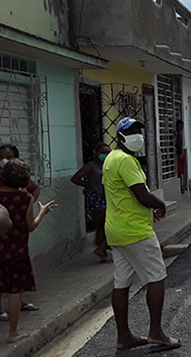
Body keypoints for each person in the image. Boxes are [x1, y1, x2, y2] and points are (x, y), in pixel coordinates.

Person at [103, 117, 180, 352]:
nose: (138, 135)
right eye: (132, 131)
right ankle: (156, 333)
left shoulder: (111, 158)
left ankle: (124, 336)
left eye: (139, 131)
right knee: (156, 277)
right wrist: (161, 204)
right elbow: (141, 195)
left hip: (116, 230)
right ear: (121, 136)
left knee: (122, 282)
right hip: (135, 230)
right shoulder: (126, 160)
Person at [0, 159, 57, 343]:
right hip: (17, 252)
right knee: (14, 292)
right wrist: (42, 212)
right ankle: (13, 333)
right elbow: (30, 226)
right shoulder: (26, 199)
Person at [0, 144, 41, 317]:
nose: (4, 160)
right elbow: (32, 226)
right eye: (2, 157)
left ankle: (19, 302)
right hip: (7, 232)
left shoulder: (24, 193)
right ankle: (11, 325)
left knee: (14, 272)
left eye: (9, 157)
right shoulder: (21, 195)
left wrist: (30, 206)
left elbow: (35, 189)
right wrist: (39, 211)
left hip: (18, 233)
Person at [70, 143, 112, 263]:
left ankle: (103, 251)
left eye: (108, 152)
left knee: (105, 225)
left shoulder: (107, 164)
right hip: (96, 198)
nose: (106, 155)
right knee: (103, 225)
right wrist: (88, 185)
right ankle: (101, 249)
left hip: (107, 196)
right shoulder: (90, 166)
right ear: (97, 153)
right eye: (103, 152)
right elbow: (75, 178)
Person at [175, 120, 187, 194]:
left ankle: (182, 185)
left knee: (182, 171)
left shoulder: (180, 136)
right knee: (179, 172)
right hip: (176, 156)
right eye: (179, 126)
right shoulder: (175, 135)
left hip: (180, 155)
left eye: (182, 127)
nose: (181, 128)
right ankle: (181, 186)